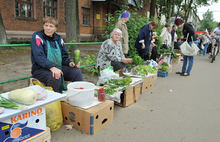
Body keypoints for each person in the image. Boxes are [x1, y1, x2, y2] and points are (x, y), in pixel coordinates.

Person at [31, 17, 83, 92]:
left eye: (51, 26)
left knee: (76, 72)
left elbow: (64, 57)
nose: (48, 28)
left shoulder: (59, 39)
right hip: (40, 70)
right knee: (55, 76)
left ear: (55, 28)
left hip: (58, 68)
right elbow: (39, 56)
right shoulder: (37, 36)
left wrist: (70, 63)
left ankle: (78, 94)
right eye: (46, 25)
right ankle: (53, 100)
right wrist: (52, 68)